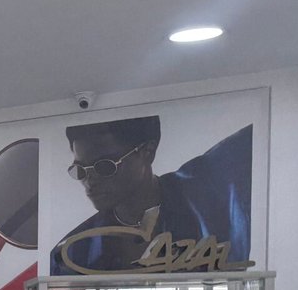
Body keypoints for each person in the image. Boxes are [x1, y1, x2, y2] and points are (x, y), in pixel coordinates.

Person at [50, 116, 252, 275]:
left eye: (105, 166)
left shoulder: (213, 189)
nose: (90, 181)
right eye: (80, 170)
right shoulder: (73, 253)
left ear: (148, 152)